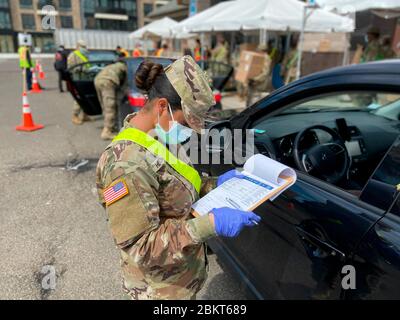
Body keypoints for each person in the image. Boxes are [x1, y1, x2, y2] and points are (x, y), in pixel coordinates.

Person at [95, 56, 261, 300]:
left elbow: (176, 186)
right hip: (159, 290)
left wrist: (214, 185)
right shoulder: (125, 165)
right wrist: (210, 224)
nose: (190, 130)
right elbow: (140, 245)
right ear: (163, 107)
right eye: (186, 122)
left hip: (181, 279)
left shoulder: (159, 138)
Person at [94, 59, 128, 140]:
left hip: (97, 80)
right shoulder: (125, 67)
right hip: (108, 82)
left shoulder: (113, 66)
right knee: (110, 108)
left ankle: (109, 126)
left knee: (105, 106)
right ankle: (107, 132)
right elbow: (126, 84)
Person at [67, 40, 91, 125]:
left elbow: (87, 65)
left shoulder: (85, 55)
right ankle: (75, 116)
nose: (85, 49)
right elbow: (71, 68)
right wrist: (84, 70)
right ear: (78, 46)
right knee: (79, 99)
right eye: (83, 47)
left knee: (86, 98)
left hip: (86, 79)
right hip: (78, 80)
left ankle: (84, 115)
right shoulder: (73, 55)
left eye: (85, 47)